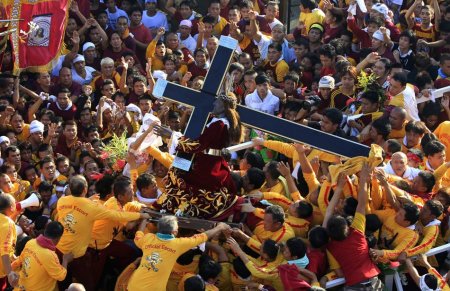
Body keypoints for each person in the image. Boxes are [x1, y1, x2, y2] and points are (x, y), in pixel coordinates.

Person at [157, 93, 243, 219]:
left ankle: (184, 210)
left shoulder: (219, 124)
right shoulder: (215, 121)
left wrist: (172, 135)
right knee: (177, 173)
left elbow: (198, 145)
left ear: (224, 106)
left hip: (208, 164)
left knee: (188, 181)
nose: (214, 104)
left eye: (217, 102)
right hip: (205, 159)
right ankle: (175, 207)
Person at [55, 175, 150, 290]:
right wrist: (141, 216)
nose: (133, 194)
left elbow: (75, 205)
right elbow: (118, 216)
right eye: (130, 192)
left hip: (61, 248)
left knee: (64, 281)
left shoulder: (62, 201)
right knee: (90, 285)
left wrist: (141, 208)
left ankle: (110, 271)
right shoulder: (92, 207)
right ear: (85, 189)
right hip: (87, 251)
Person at [126, 216, 231, 291]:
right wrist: (220, 227)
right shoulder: (177, 244)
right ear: (175, 233)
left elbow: (138, 237)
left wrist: (144, 220)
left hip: (133, 284)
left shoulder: (148, 238)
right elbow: (203, 237)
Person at [13, 221, 74, 291]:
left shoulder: (31, 242)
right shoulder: (50, 255)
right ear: (58, 238)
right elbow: (60, 276)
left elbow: (20, 260)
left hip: (21, 286)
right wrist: (65, 260)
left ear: (45, 232)